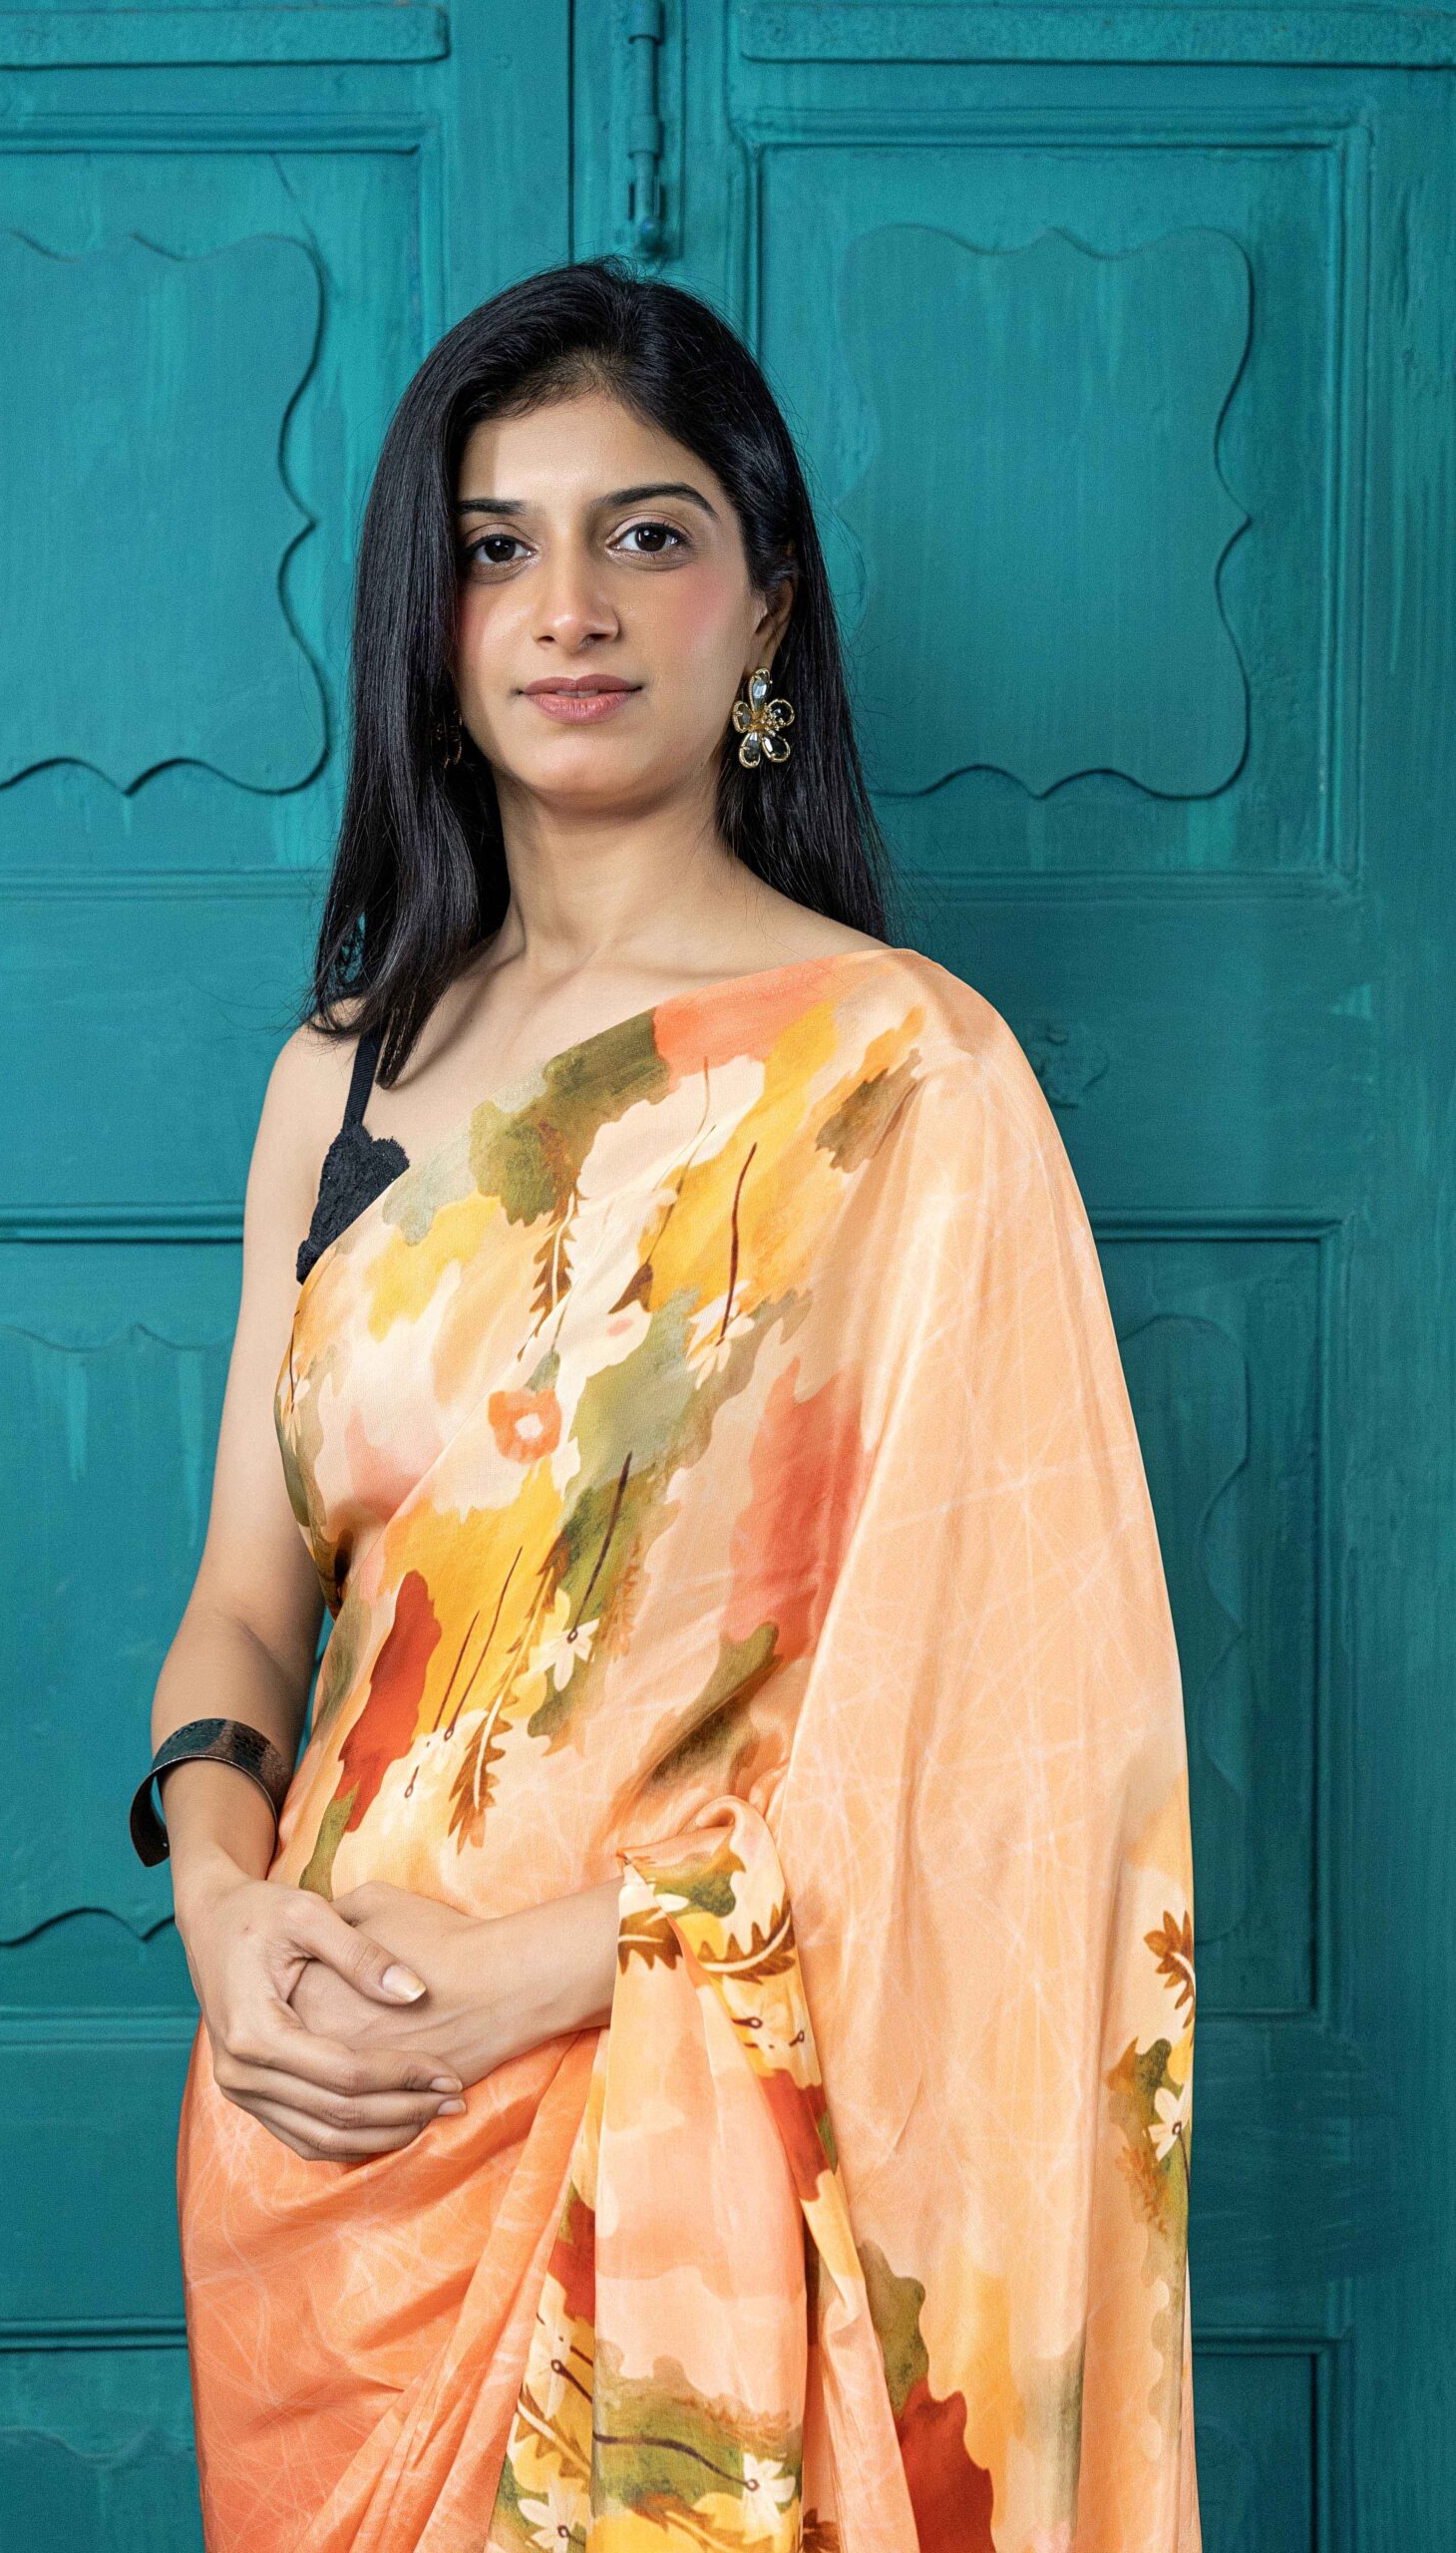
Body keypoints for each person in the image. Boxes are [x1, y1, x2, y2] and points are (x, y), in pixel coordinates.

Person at [133, 258, 1201, 2553]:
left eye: (645, 532)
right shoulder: (338, 1084)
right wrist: (221, 1907)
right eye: (494, 546)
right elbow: (244, 1604)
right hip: (330, 2152)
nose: (568, 607)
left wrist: (552, 1971)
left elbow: (1010, 1757)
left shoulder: (901, 1080)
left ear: (764, 608)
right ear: (429, 627)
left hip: (691, 2162)